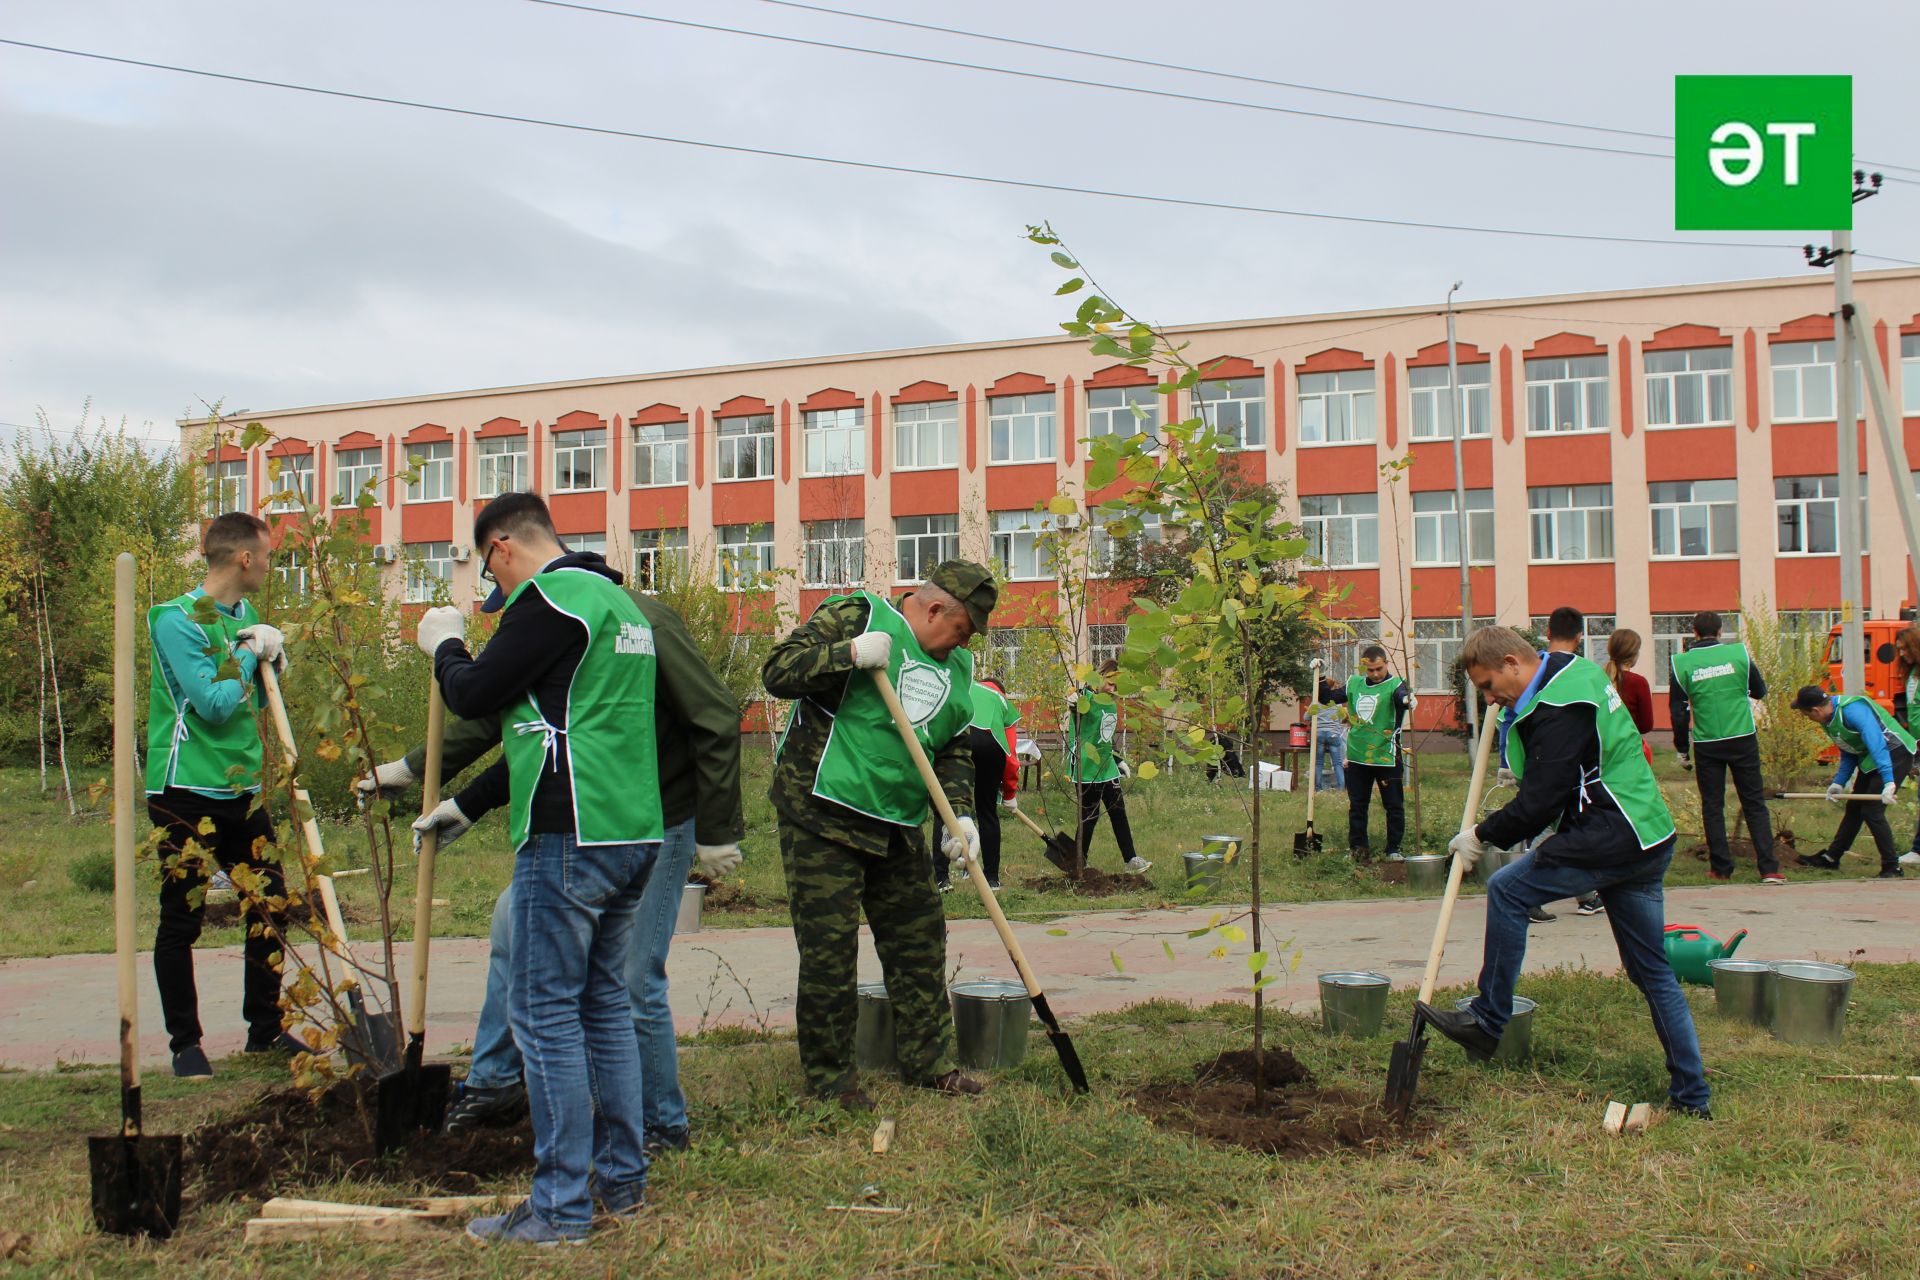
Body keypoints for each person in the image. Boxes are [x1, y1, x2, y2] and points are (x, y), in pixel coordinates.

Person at [364, 584, 743, 1151]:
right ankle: (495, 1084)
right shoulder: (552, 620)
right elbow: (522, 720)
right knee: (512, 926)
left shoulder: (641, 622)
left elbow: (716, 717)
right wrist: (422, 771)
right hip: (590, 816)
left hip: (657, 816)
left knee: (631, 976)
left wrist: (715, 832)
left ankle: (661, 1124)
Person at [418, 492, 664, 1244]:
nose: (499, 598)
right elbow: (553, 723)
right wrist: (471, 801)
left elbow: (475, 695)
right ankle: (621, 1185)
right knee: (600, 1006)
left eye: (492, 577)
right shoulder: (618, 605)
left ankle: (558, 1211)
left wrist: (444, 645)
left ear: (500, 549)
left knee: (544, 1014)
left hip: (570, 833)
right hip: (632, 829)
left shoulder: (548, 598)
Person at [1421, 626, 1711, 1120]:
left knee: (1507, 889)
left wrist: (1480, 836)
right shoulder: (1567, 670)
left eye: (1490, 685)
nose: (1489, 697)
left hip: (1611, 833)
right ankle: (1693, 1097)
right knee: (1652, 973)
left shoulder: (1559, 706)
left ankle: (1490, 1020)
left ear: (1513, 662)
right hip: (1648, 834)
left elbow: (1539, 804)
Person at [761, 560, 999, 1109]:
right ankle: (832, 1081)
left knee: (919, 940)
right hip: (823, 813)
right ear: (936, 608)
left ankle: (929, 1063)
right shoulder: (858, 615)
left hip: (896, 825)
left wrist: (959, 815)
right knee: (830, 953)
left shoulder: (958, 666)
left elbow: (955, 747)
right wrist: (848, 654)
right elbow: (778, 672)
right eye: (961, 631)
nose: (961, 645)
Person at [145, 511, 301, 1078]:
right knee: (181, 919)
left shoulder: (242, 616)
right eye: (266, 555)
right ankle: (185, 1044)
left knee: (271, 905)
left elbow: (249, 702)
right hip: (183, 788)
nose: (268, 565)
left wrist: (272, 667)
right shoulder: (174, 618)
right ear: (243, 558)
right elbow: (211, 704)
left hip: (241, 788)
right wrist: (250, 653)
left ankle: (266, 1030)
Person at [1670, 611, 1781, 884]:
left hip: (1708, 742)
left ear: (1694, 634)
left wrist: (1682, 749)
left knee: (1713, 806)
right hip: (1742, 736)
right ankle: (1768, 869)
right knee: (1754, 803)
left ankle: (1721, 868)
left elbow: (1679, 712)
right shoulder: (1739, 655)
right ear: (1721, 632)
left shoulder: (1681, 663)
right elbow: (1760, 691)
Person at [1791, 685, 1912, 879]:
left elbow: (1877, 744)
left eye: (1807, 715)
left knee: (1871, 810)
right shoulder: (1828, 719)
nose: (1809, 719)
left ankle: (1892, 867)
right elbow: (1849, 750)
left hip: (1894, 754)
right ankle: (1831, 858)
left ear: (1815, 710)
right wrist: (1839, 782)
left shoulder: (1853, 712)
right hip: (1871, 758)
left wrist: (1889, 782)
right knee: (1855, 807)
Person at [1532, 608, 1606, 919]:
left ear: (1547, 633)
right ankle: (1528, 891)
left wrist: (1509, 760)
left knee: (1562, 825)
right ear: (1579, 637)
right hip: (1570, 767)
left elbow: (1513, 715)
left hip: (1536, 760)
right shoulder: (1583, 672)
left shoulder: (1532, 668)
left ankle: (1587, 895)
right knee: (1558, 825)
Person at [1319, 645, 1410, 862]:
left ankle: (1393, 849)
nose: (1376, 674)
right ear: (1364, 668)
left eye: (1379, 668)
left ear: (1386, 664)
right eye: (1370, 670)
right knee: (1358, 806)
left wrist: (1408, 700)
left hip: (1386, 756)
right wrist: (1320, 677)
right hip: (1359, 756)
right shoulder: (1355, 683)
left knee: (1394, 805)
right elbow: (1327, 698)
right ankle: (1359, 849)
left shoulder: (1396, 685)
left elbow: (1401, 697)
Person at [1070, 659, 1151, 873]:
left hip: (1107, 766)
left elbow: (1104, 738)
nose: (1112, 688)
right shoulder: (1084, 697)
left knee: (1118, 812)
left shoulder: (1110, 703)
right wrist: (1072, 703)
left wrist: (1118, 759)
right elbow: (1076, 712)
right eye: (1110, 682)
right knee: (1090, 816)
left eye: (1116, 686)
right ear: (1101, 675)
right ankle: (1079, 861)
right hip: (1086, 767)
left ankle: (1130, 859)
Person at [944, 675, 1019, 892]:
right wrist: (1009, 794)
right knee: (987, 811)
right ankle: (991, 878)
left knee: (948, 808)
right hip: (990, 745)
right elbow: (1010, 754)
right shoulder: (1003, 701)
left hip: (961, 738)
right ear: (1001, 690)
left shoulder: (965, 685)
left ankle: (941, 879)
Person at [1897, 626, 1920, 869]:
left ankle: (1918, 849)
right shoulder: (1912, 672)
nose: (1902, 653)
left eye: (1905, 648)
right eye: (1899, 650)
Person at [1314, 695, 1346, 792]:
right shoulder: (1337, 701)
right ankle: (1341, 787)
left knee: (1319, 763)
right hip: (1333, 734)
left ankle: (1318, 788)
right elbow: (1342, 718)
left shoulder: (1316, 701)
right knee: (1337, 763)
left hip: (1319, 734)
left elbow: (1306, 716)